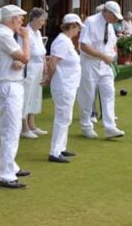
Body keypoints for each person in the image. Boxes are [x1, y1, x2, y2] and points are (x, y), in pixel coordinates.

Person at [0, 4, 30, 189]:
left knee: (12, 129)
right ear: (13, 19)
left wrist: (18, 62)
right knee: (11, 131)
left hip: (10, 83)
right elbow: (25, 57)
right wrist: (26, 39)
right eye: (20, 17)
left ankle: (11, 166)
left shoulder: (3, 35)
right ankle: (6, 175)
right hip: (7, 86)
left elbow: (18, 59)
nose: (22, 21)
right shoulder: (3, 35)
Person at [76, 0, 125, 139]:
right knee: (88, 95)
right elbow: (84, 45)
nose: (116, 19)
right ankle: (86, 126)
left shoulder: (109, 25)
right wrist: (103, 56)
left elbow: (112, 43)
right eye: (114, 16)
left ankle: (110, 127)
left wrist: (112, 55)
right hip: (89, 64)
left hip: (105, 65)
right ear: (106, 12)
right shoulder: (90, 22)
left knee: (109, 93)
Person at [43, 13, 84, 163]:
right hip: (63, 85)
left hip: (69, 84)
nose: (78, 31)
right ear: (72, 26)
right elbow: (53, 62)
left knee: (66, 117)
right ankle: (54, 152)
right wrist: (48, 78)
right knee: (62, 117)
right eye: (77, 27)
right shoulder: (62, 42)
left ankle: (61, 148)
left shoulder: (66, 41)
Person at [20, 8, 48, 140]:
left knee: (35, 96)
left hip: (38, 68)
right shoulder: (26, 33)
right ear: (35, 19)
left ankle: (32, 124)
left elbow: (41, 52)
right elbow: (23, 52)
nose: (43, 23)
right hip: (29, 68)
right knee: (27, 96)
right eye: (42, 20)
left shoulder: (37, 33)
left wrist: (45, 67)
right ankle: (24, 127)